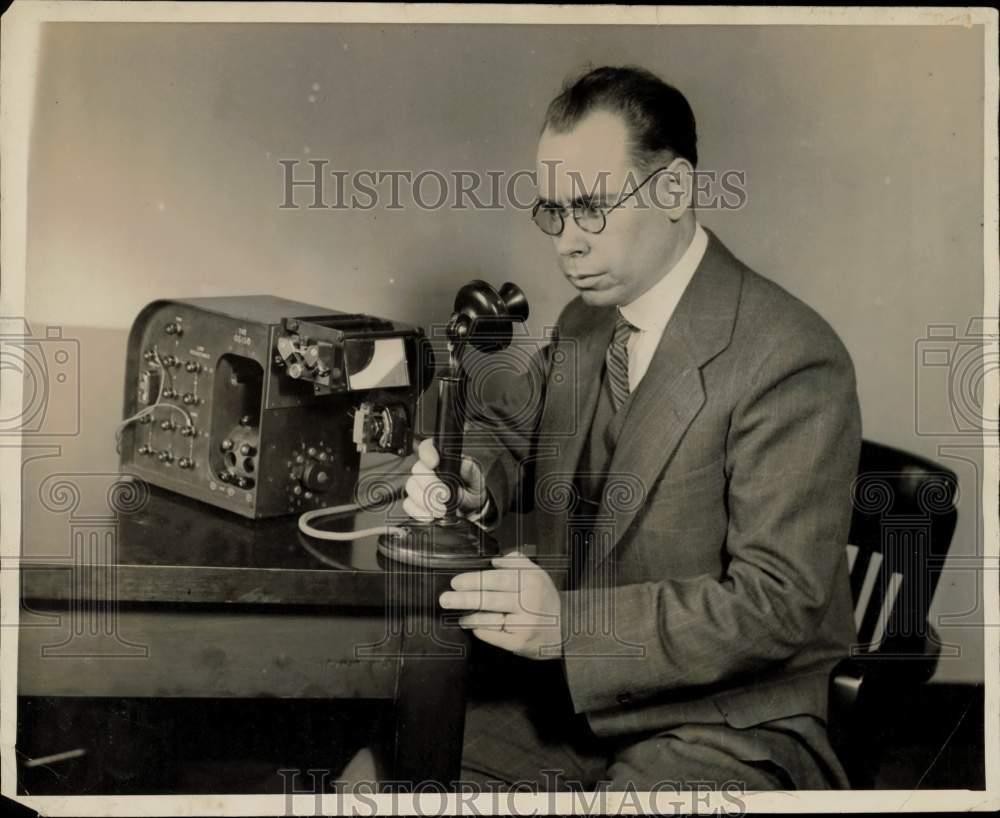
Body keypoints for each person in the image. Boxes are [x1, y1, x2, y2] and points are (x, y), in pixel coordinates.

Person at [404, 65, 862, 792]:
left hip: (727, 725)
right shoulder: (588, 324)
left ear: (675, 191)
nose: (566, 245)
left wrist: (569, 630)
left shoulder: (789, 354)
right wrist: (471, 474)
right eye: (553, 212)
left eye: (591, 207)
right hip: (573, 703)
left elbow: (779, 602)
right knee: (399, 769)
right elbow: (512, 432)